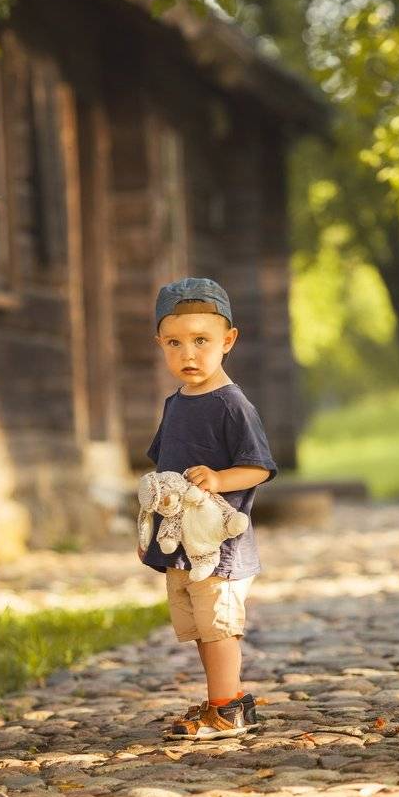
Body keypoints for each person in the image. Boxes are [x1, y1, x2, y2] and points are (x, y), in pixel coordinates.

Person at [139, 277, 277, 740]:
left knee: (219, 625)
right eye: (175, 343)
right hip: (181, 543)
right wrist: (152, 528)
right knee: (200, 627)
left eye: (202, 341)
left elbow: (257, 467)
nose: (188, 354)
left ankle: (228, 709)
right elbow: (168, 476)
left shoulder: (231, 405)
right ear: (160, 343)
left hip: (219, 543)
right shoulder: (176, 403)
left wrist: (219, 480)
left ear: (228, 341)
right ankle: (220, 699)